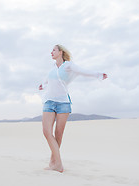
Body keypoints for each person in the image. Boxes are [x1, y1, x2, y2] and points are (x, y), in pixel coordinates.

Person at [38, 44, 107, 173]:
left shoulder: (68, 65)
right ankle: (58, 164)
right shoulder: (52, 68)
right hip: (49, 102)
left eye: (54, 50)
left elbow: (83, 71)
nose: (51, 52)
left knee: (58, 135)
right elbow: (47, 79)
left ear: (60, 52)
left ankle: (54, 163)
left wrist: (98, 74)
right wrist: (42, 85)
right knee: (46, 132)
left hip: (63, 103)